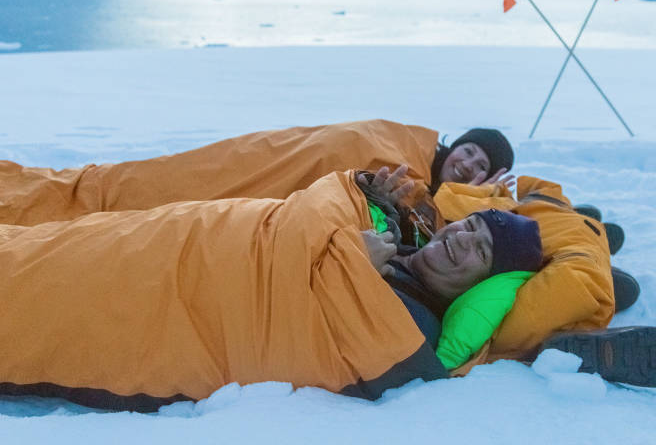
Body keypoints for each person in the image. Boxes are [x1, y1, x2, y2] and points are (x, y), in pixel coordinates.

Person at [0, 169, 542, 411]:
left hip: (170, 299)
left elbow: (314, 332)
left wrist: (352, 259)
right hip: (176, 241)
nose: (459, 239)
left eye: (482, 251)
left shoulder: (414, 326)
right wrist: (361, 194)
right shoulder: (401, 254)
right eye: (469, 226)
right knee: (59, 246)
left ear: (484, 288)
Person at [0, 119, 516, 227]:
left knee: (154, 203)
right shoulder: (402, 146)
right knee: (134, 187)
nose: (467, 163)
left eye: (480, 167)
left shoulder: (426, 185)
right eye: (469, 151)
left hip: (277, 182)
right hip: (266, 157)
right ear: (457, 143)